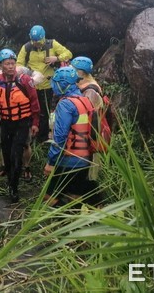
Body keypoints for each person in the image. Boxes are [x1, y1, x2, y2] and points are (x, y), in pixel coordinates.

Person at [16, 24, 72, 179]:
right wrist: (30, 74)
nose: (37, 44)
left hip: (48, 86)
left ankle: (43, 138)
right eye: (34, 41)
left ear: (44, 37)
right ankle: (32, 135)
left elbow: (68, 54)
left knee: (47, 113)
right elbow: (18, 65)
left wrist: (57, 58)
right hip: (31, 86)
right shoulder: (27, 48)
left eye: (39, 41)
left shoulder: (52, 44)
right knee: (34, 111)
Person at [0, 49, 40, 202]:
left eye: (12, 63)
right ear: (1, 66)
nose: (11, 66)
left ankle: (13, 188)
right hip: (5, 122)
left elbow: (35, 103)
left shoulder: (24, 80)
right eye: (7, 64)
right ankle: (11, 180)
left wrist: (35, 123)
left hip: (21, 123)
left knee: (16, 154)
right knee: (6, 155)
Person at [43, 66, 97, 207]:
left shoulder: (66, 104)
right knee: (74, 195)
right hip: (85, 158)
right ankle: (74, 224)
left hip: (68, 159)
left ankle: (62, 221)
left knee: (48, 196)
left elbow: (59, 137)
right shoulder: (85, 100)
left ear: (63, 84)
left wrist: (51, 162)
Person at [71, 56, 104, 180]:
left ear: (81, 72)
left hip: (89, 131)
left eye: (73, 69)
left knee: (87, 162)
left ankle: (85, 185)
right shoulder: (82, 83)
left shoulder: (90, 90)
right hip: (85, 130)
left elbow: (88, 113)